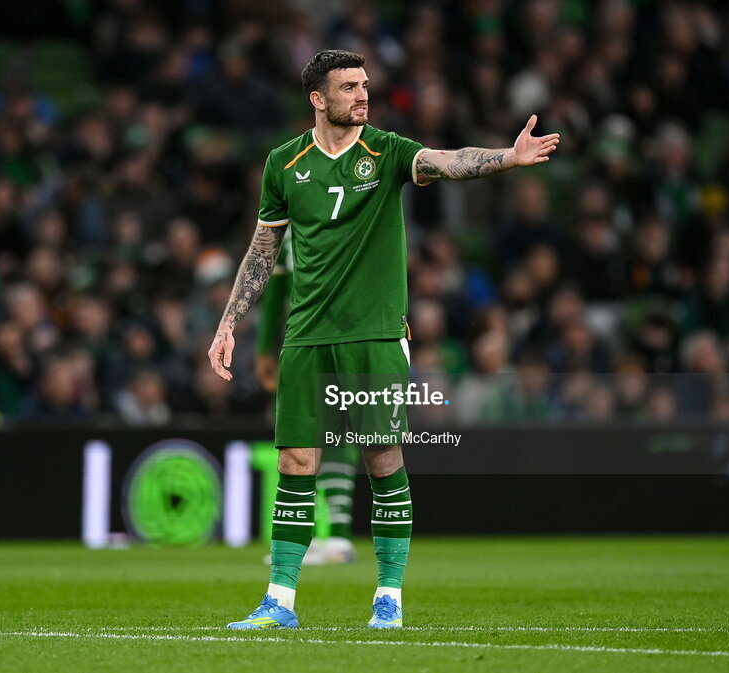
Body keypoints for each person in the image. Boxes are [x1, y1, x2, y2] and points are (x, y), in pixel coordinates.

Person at [207, 49, 559, 630]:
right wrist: (228, 325)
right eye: (349, 87)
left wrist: (507, 158)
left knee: (381, 455)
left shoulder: (388, 151)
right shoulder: (284, 163)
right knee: (297, 460)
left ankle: (389, 596)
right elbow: (264, 249)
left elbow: (448, 161)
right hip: (306, 334)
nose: (363, 95)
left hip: (374, 333)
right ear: (318, 99)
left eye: (365, 85)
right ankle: (280, 602)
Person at [255, 227, 358, 566]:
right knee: (302, 436)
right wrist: (264, 348)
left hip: (348, 336)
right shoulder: (288, 234)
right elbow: (277, 288)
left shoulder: (351, 218)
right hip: (301, 340)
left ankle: (340, 538)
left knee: (340, 431)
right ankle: (306, 538)